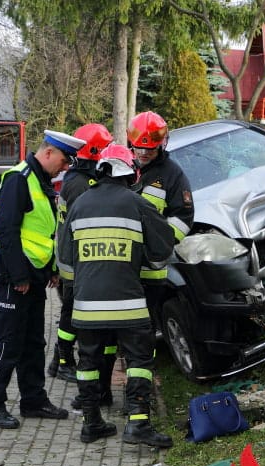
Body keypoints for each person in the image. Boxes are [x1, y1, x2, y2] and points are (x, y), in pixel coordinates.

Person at [0, 130, 85, 429]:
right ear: (48, 153)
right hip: (14, 276)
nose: (65, 168)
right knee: (5, 344)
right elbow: (6, 231)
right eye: (63, 161)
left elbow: (43, 232)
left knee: (34, 343)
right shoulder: (18, 178)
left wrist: (50, 269)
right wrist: (19, 276)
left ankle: (33, 400)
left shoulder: (41, 181)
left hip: (34, 276)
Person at [68, 144, 175, 446]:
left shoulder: (79, 204)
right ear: (131, 173)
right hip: (129, 306)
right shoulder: (137, 203)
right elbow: (162, 249)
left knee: (87, 362)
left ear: (101, 171)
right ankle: (138, 425)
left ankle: (92, 424)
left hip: (86, 307)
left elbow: (65, 256)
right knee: (139, 359)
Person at [48, 124, 117, 402]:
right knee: (71, 313)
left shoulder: (79, 177)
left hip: (72, 256)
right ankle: (62, 362)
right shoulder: (80, 183)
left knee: (71, 310)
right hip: (74, 260)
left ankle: (58, 361)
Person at [126, 111, 194, 330]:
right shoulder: (121, 168)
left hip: (150, 270)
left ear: (161, 145)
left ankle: (141, 363)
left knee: (145, 327)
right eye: (140, 148)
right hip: (119, 265)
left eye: (150, 149)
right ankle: (118, 361)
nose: (144, 153)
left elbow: (183, 218)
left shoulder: (172, 174)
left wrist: (156, 246)